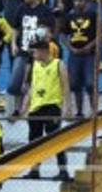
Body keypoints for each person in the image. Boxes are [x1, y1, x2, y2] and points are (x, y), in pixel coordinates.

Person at [20, 38, 71, 181]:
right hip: (36, 107)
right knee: (34, 141)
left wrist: (67, 106)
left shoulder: (58, 64)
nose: (33, 54)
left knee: (55, 140)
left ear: (44, 51)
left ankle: (63, 170)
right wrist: (25, 106)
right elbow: (32, 87)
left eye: (35, 51)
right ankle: (34, 170)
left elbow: (65, 86)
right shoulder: (36, 65)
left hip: (52, 106)